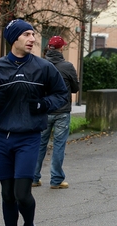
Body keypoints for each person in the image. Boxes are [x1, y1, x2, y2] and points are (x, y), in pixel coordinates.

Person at [0, 19, 68, 226]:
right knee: (6, 194)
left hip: (28, 137)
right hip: (3, 138)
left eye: (33, 34)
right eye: (26, 34)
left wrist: (43, 104)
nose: (33, 39)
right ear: (14, 38)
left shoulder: (43, 67)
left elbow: (62, 94)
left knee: (22, 193)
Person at [33, 36, 79, 189]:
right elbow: (75, 88)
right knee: (59, 145)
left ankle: (34, 178)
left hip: (44, 110)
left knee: (39, 144)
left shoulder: (39, 64)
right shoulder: (67, 66)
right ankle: (56, 180)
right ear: (61, 49)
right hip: (62, 111)